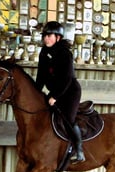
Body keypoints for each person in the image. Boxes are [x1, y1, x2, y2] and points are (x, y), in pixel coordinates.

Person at [35, 21, 85, 163]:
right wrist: (36, 92)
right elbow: (41, 76)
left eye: (49, 35)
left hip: (69, 92)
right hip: (55, 92)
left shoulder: (65, 53)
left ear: (58, 37)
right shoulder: (44, 53)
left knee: (68, 119)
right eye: (44, 36)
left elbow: (66, 78)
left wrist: (55, 96)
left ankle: (78, 150)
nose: (46, 39)